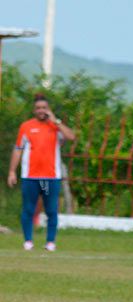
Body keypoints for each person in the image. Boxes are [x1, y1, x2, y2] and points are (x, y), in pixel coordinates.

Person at [7, 94, 76, 251]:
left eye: (44, 108)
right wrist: (12, 171)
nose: (41, 111)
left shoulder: (55, 127)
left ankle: (50, 242)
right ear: (34, 110)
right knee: (28, 209)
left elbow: (71, 136)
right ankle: (28, 241)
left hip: (50, 178)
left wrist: (56, 120)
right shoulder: (26, 127)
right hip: (30, 177)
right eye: (38, 108)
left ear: (48, 109)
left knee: (51, 210)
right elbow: (18, 150)